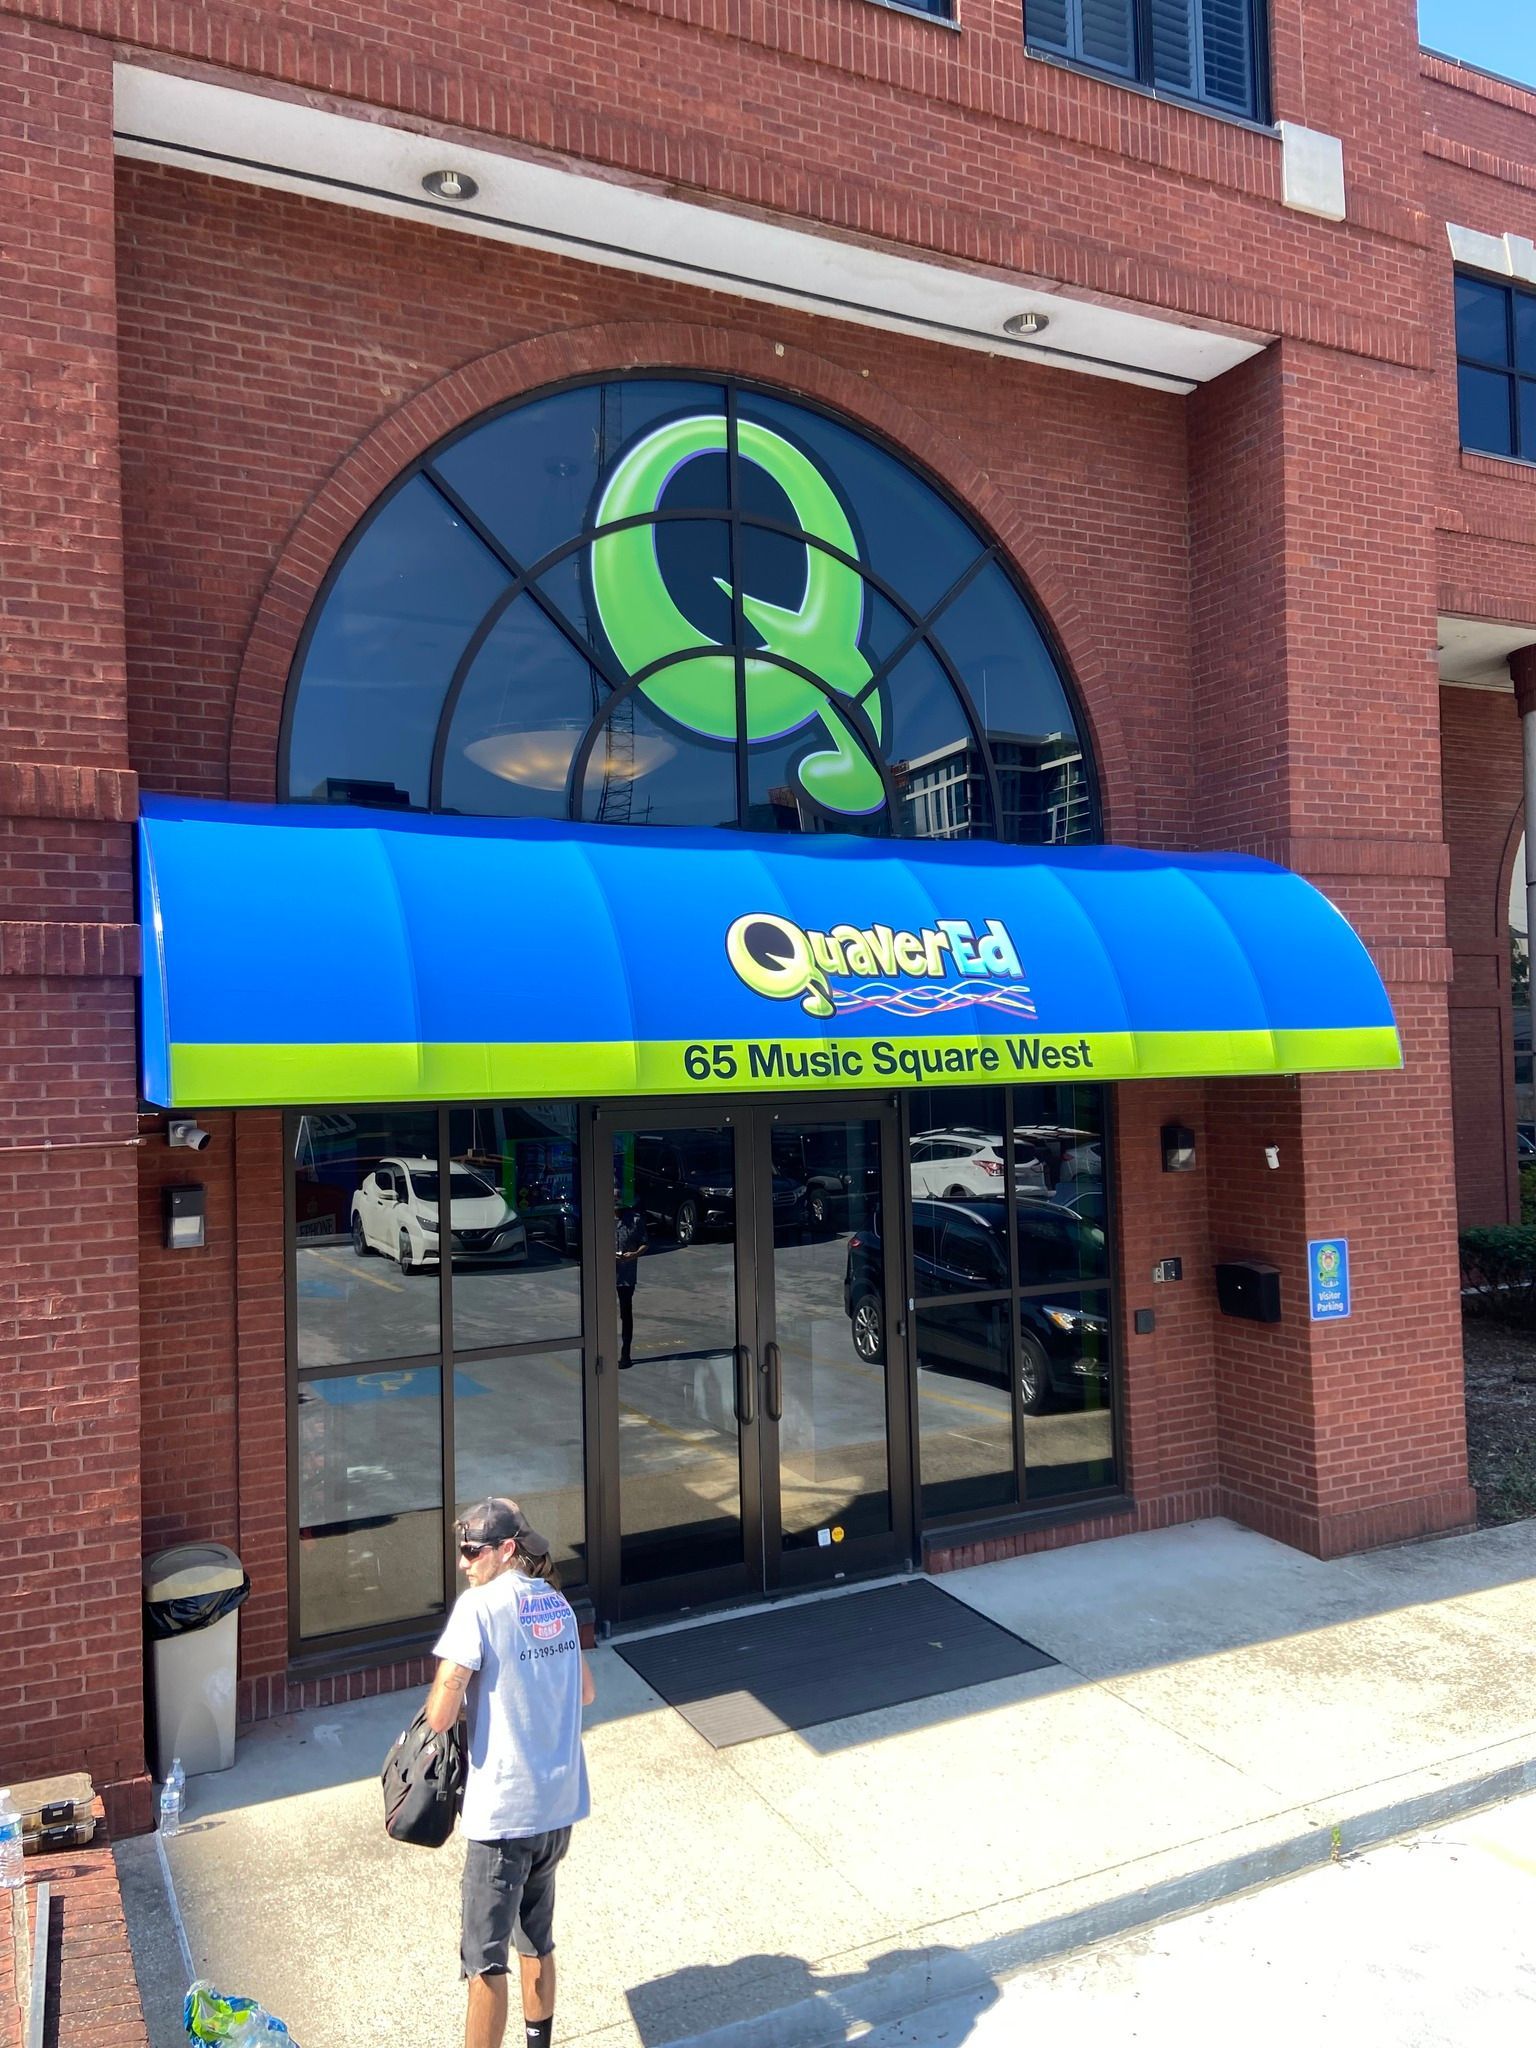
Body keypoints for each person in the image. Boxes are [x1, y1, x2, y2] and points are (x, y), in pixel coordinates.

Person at [425, 1498, 595, 2048]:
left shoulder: (478, 1608)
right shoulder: (556, 1603)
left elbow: (440, 1714)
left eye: (472, 1551)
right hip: (558, 1809)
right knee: (536, 1941)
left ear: (505, 1549)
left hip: (503, 1816)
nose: (463, 1562)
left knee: (484, 1961)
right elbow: (586, 1691)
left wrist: (455, 1689)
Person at [614, 1197, 647, 1367]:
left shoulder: (635, 1220)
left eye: (618, 1197)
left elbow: (644, 1243)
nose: (615, 1202)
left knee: (625, 1313)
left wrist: (634, 1255)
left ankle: (625, 1353)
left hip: (626, 1275)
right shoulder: (600, 1218)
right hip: (605, 1274)